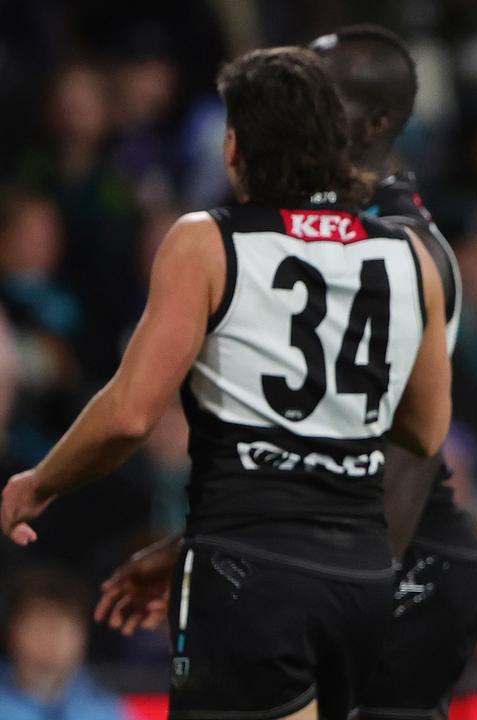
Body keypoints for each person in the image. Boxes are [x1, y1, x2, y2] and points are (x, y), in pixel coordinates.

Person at [1, 46, 451, 720]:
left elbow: (129, 416)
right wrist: (189, 549)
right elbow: (425, 428)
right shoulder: (411, 254)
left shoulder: (208, 242)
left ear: (234, 147)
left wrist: (39, 485)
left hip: (248, 577)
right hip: (361, 582)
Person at [0, 567, 126, 720]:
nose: (52, 638)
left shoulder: (108, 710)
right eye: (40, 625)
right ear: (11, 631)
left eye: (64, 626)